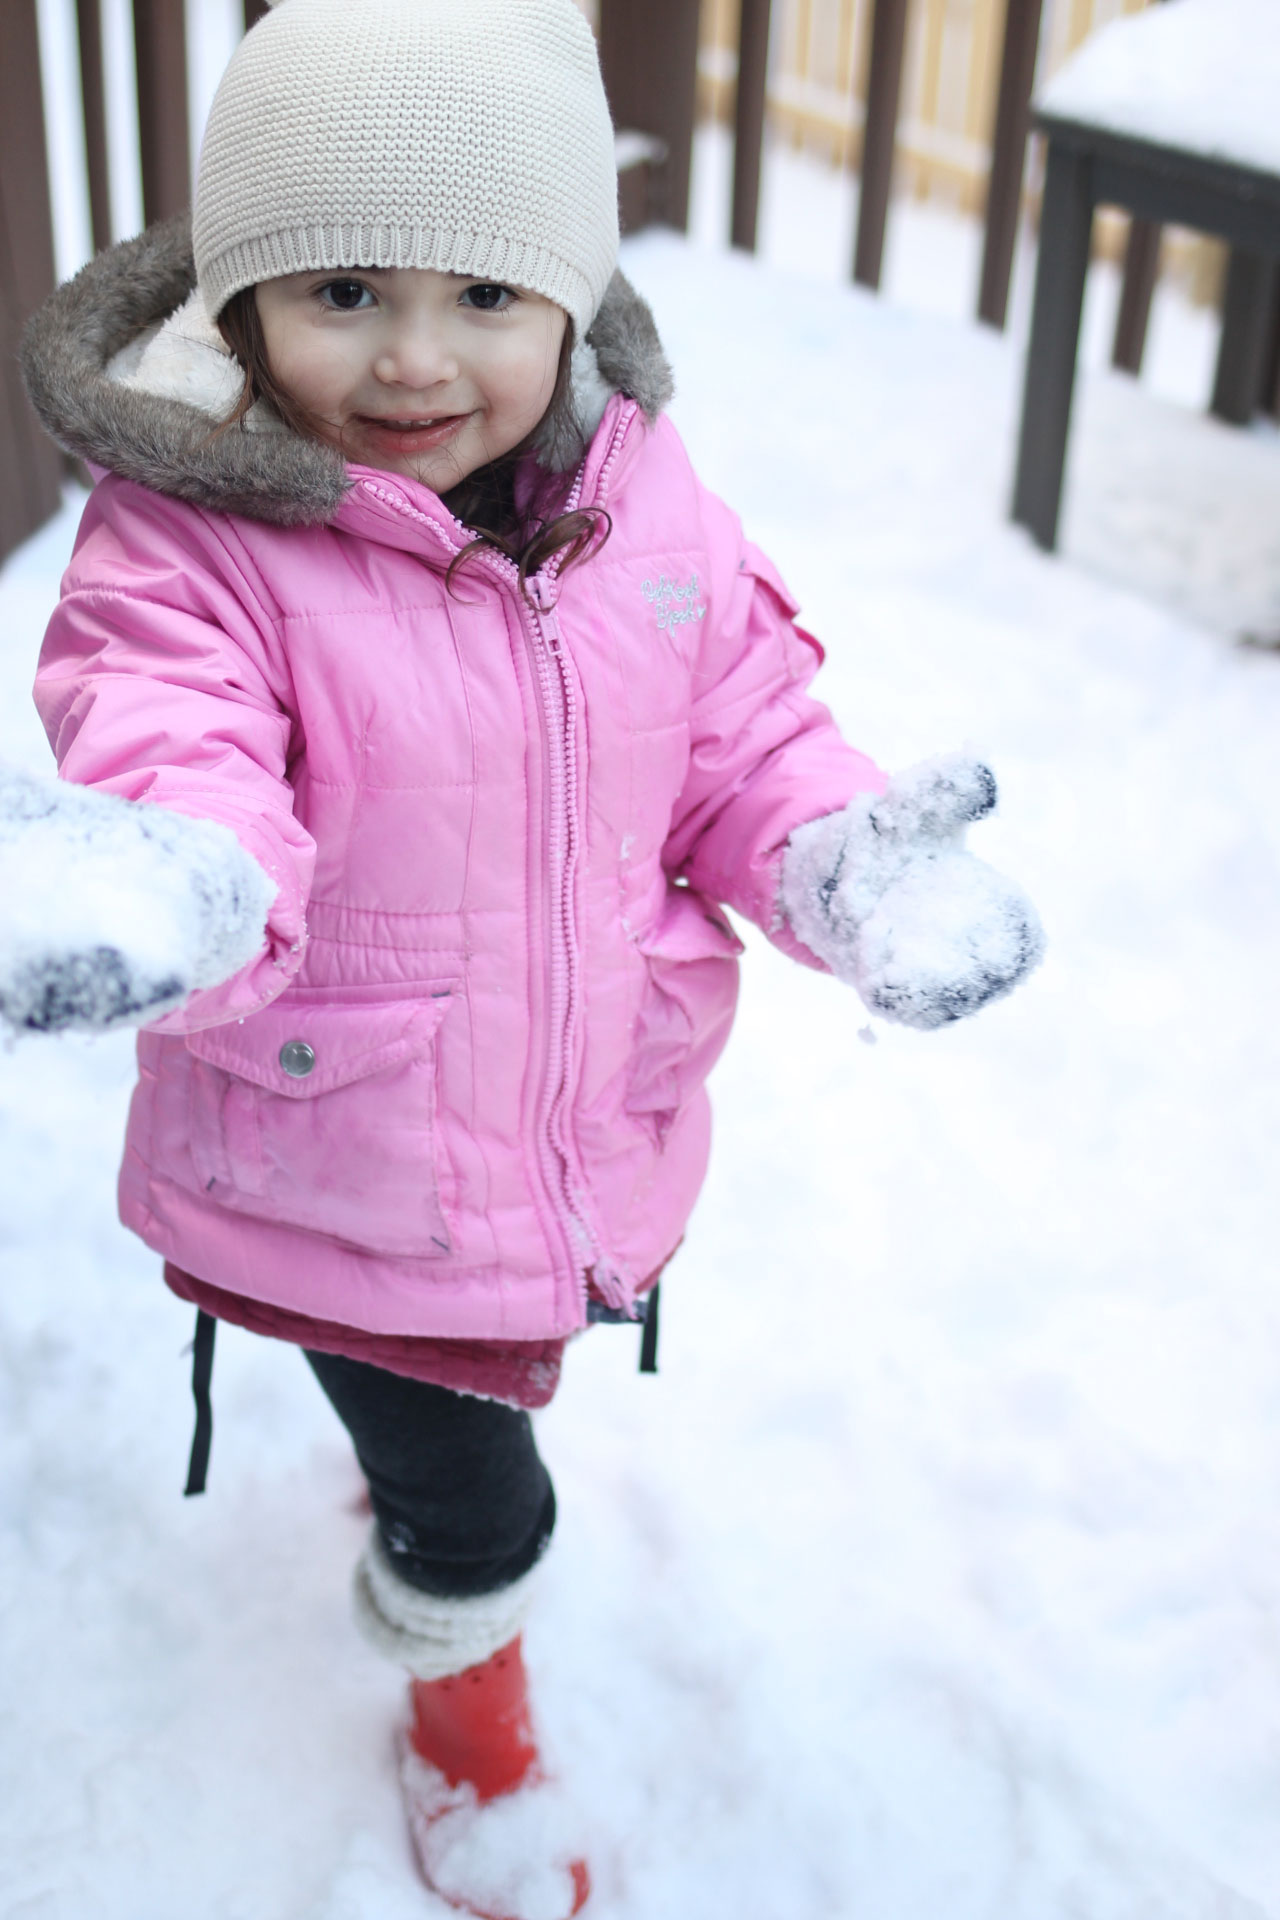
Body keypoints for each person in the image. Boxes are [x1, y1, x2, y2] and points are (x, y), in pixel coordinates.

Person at [11, 0, 1042, 1911]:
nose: (415, 355)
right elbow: (185, 754)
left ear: (572, 290)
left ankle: (404, 1470)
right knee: (480, 1510)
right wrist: (172, 887)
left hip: (570, 1142)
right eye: (339, 287)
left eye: (489, 288)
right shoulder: (192, 552)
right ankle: (474, 1742)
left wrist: (840, 869)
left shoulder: (642, 501)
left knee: (452, 1418)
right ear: (240, 303)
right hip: (342, 1173)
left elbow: (740, 733)